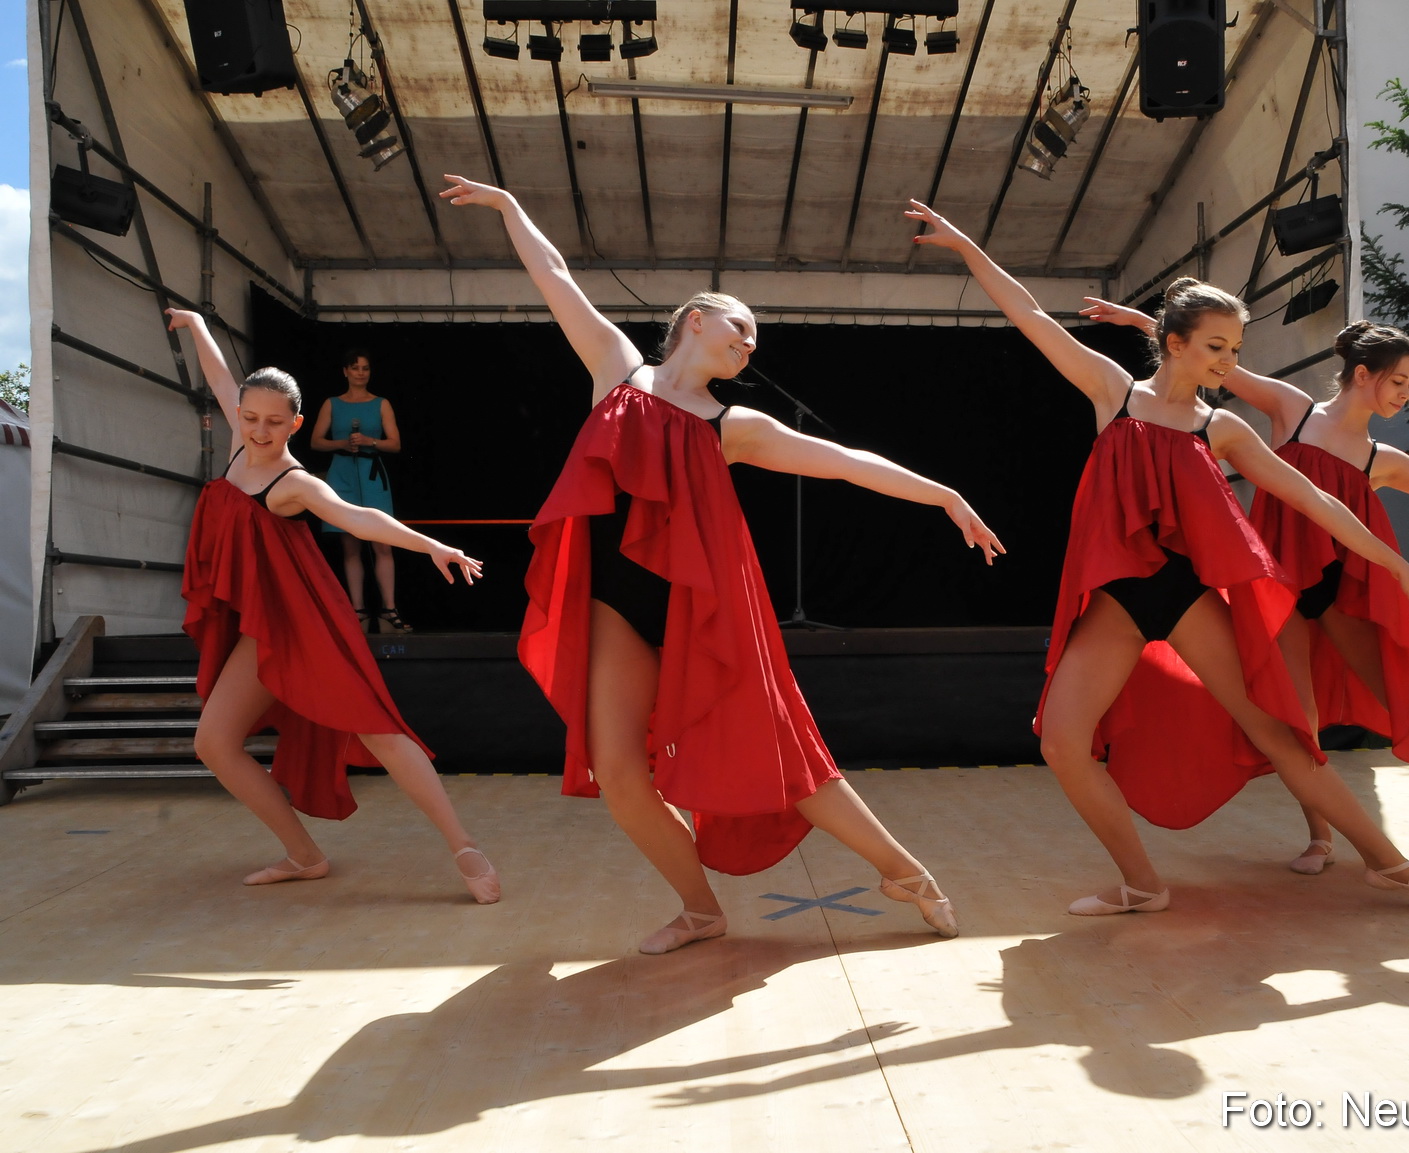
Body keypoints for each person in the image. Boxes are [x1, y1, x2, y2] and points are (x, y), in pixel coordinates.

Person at [443, 174, 1006, 954]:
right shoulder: (615, 370)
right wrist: (511, 206)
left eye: (753, 342)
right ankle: (700, 909)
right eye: (739, 330)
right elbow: (556, 278)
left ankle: (905, 871)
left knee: (787, 757)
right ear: (696, 322)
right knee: (616, 770)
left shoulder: (732, 425)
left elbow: (842, 461)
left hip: (700, 613)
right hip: (617, 605)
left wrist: (942, 494)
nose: (748, 345)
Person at [905, 199, 1409, 913]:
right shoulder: (1113, 393)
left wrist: (1396, 564)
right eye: (1215, 347)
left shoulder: (1219, 425)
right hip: (1115, 599)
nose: (1227, 362)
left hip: (1187, 593)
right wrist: (964, 245)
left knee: (1280, 734)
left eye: (1233, 349)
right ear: (1173, 342)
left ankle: (1389, 864)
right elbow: (1030, 316)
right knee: (1062, 745)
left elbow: (1313, 500)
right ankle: (1142, 884)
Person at [1081, 310, 1409, 869]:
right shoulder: (1291, 409)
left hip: (1340, 590)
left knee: (1406, 700)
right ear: (1362, 374)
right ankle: (1320, 837)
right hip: (1276, 588)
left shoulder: (1382, 459)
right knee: (1295, 718)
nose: (1405, 394)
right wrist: (1141, 320)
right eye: (1399, 381)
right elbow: (1202, 360)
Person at [165, 309, 499, 903]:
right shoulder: (242, 444)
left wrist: (433, 547)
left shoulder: (294, 483)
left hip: (309, 624)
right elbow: (221, 378)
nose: (260, 432)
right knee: (213, 743)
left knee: (379, 731)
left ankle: (465, 848)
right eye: (249, 419)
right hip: (265, 628)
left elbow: (360, 517)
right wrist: (197, 326)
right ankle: (303, 855)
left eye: (274, 422)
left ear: (297, 422)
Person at [310, 349, 410, 633]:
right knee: (349, 544)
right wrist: (341, 444)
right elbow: (317, 442)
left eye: (365, 368)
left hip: (372, 474)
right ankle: (358, 612)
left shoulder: (381, 404)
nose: (361, 373)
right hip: (342, 475)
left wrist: (369, 441)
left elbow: (395, 444)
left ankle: (389, 611)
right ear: (345, 371)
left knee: (383, 543)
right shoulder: (332, 403)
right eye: (355, 368)